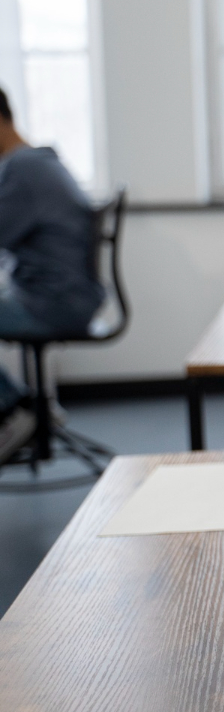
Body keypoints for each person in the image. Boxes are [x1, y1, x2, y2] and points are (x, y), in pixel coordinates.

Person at [0, 87, 105, 459]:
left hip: (54, 303)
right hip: (66, 296)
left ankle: (14, 409)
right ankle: (30, 409)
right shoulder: (38, 162)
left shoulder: (22, 170)